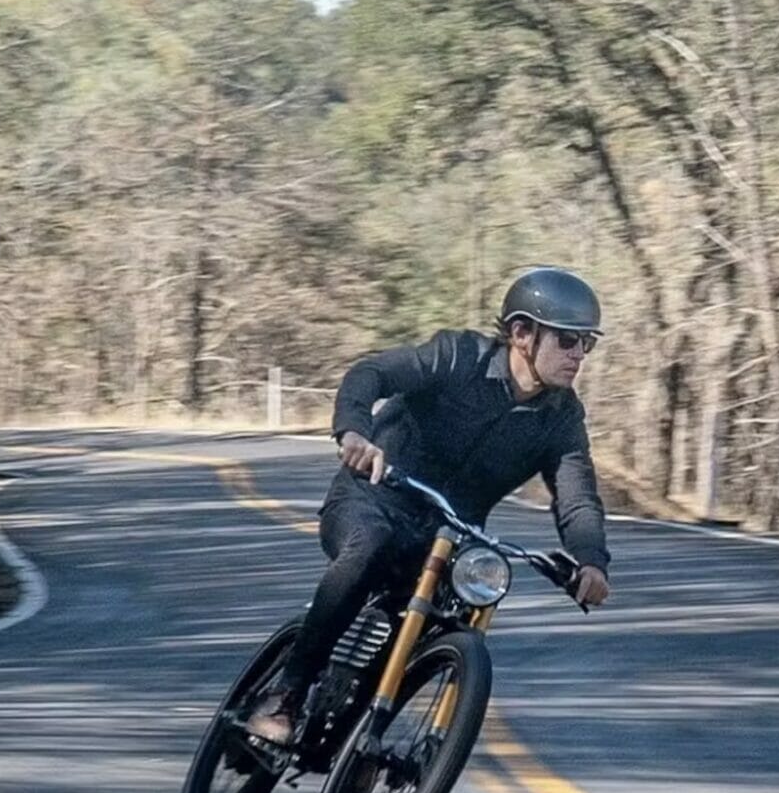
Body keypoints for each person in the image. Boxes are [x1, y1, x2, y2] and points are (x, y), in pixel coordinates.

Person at [247, 266, 611, 745]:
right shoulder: (458, 356)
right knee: (370, 547)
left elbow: (577, 493)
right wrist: (354, 432)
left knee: (460, 604)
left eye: (588, 343)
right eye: (568, 340)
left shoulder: (562, 417)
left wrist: (591, 561)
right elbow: (370, 373)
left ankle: (364, 735)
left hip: (443, 535)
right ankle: (286, 693)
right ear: (522, 333)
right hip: (370, 496)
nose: (578, 355)